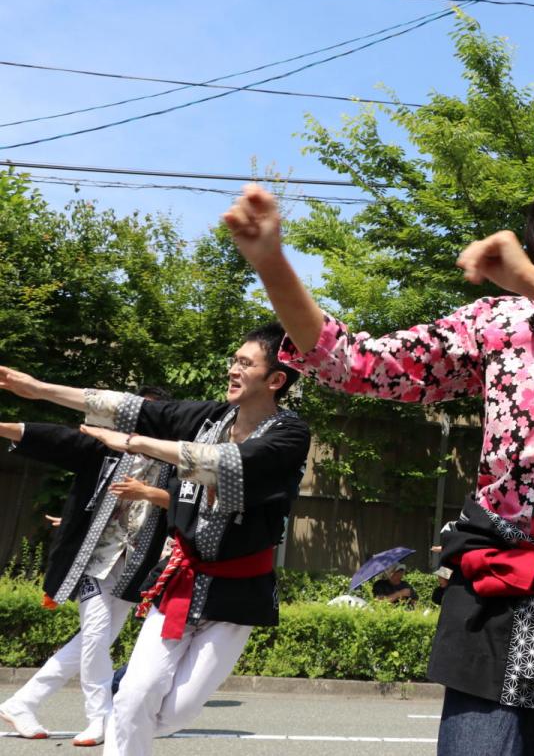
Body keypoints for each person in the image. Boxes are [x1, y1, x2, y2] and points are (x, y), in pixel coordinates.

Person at [221, 140, 534, 755]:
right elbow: (359, 364)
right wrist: (272, 262)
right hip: (494, 604)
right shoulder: (494, 321)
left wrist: (532, 279)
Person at [0, 323, 310, 756]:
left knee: (175, 713)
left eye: (245, 363)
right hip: (177, 580)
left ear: (276, 379)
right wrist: (39, 388)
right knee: (131, 698)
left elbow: (223, 465)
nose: (232, 369)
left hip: (235, 595)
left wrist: (133, 442)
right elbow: (128, 406)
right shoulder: (210, 417)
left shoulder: (290, 435)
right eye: (233, 359)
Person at [0, 388, 173, 746]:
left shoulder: (172, 463)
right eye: (140, 417)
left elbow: (184, 504)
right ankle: (101, 718)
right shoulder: (105, 450)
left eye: (153, 418)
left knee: (94, 641)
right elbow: (57, 439)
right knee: (95, 634)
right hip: (93, 560)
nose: (145, 424)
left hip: (135, 564)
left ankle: (21, 702)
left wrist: (147, 493)